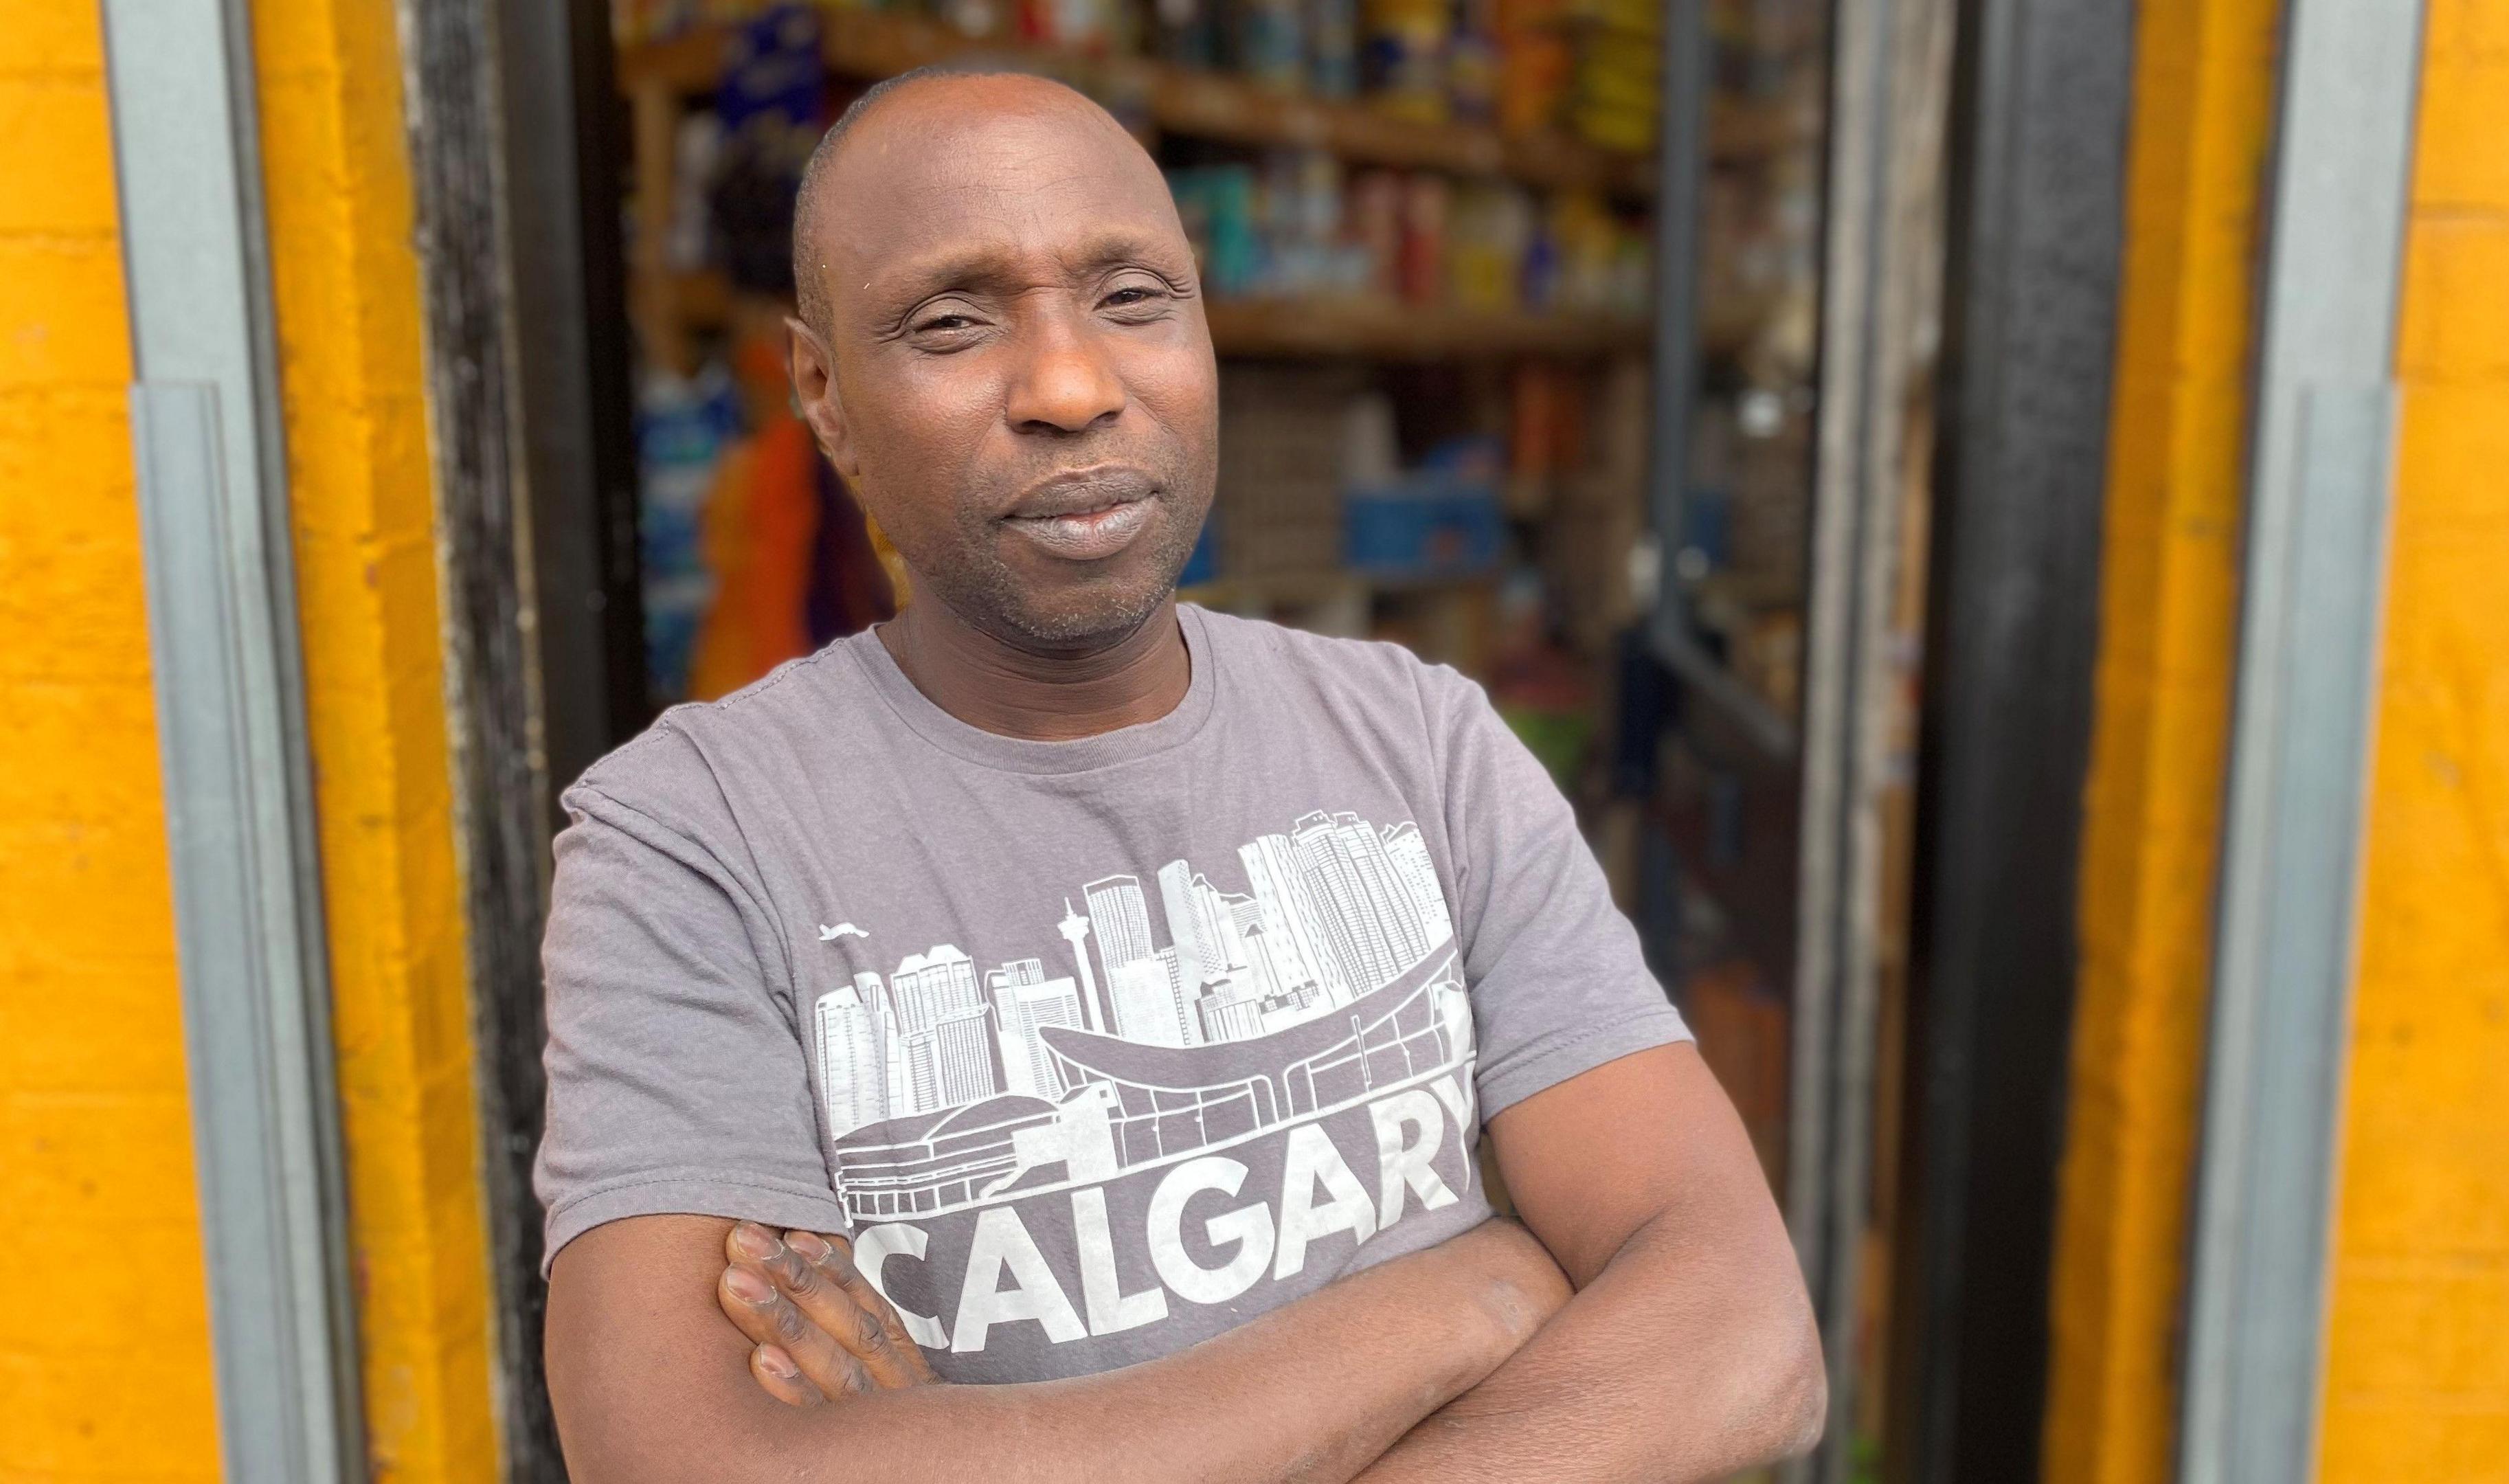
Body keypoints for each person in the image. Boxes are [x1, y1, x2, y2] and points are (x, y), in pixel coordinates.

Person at [537, 67, 1823, 1482]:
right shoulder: (693, 839)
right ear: (827, 396)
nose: (1073, 388)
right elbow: (687, 1465)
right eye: (953, 320)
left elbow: (1743, 1339)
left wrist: (955, 1447)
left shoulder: (1421, 742)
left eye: (1134, 298)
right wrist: (1465, 1304)